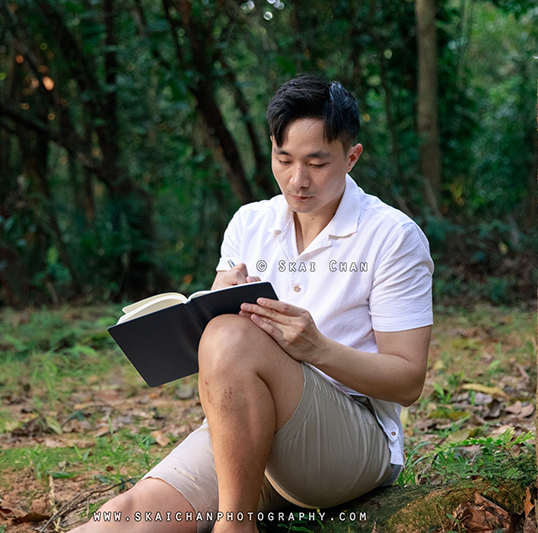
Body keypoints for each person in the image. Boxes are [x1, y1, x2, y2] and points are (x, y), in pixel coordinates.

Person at [70, 75, 433, 533]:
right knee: (121, 520)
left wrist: (316, 347)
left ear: (352, 156)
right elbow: (223, 362)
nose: (297, 181)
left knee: (233, 336)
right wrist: (214, 304)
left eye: (317, 163)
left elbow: (407, 381)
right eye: (284, 160)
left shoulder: (392, 237)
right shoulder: (251, 223)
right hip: (246, 435)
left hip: (349, 443)